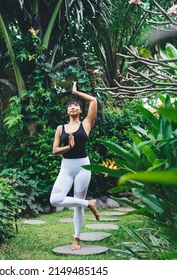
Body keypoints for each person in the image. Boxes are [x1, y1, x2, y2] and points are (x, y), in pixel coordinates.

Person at [50, 81, 99, 250]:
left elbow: (93, 101)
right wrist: (68, 147)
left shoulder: (85, 124)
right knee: (55, 199)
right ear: (67, 111)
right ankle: (89, 203)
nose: (72, 107)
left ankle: (76, 239)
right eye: (70, 106)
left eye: (76, 105)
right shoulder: (60, 128)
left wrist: (76, 93)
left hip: (83, 167)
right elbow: (55, 150)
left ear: (80, 110)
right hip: (67, 167)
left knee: (78, 205)